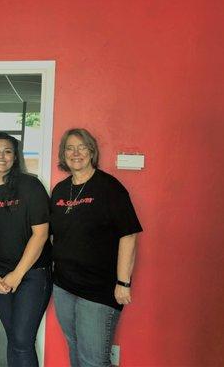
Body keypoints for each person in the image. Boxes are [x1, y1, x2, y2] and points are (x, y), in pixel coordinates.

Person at [50, 128, 142, 367]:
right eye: (70, 148)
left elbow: (129, 235)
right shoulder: (60, 190)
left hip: (98, 289)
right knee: (75, 347)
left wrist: (123, 282)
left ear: (92, 151)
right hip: (63, 285)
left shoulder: (109, 187)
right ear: (63, 154)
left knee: (93, 359)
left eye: (82, 147)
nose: (76, 153)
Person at [0, 132, 52, 367]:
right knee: (13, 338)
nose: (1, 156)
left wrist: (17, 274)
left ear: (15, 157)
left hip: (32, 274)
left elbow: (41, 235)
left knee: (21, 340)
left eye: (7, 151)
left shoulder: (30, 186)